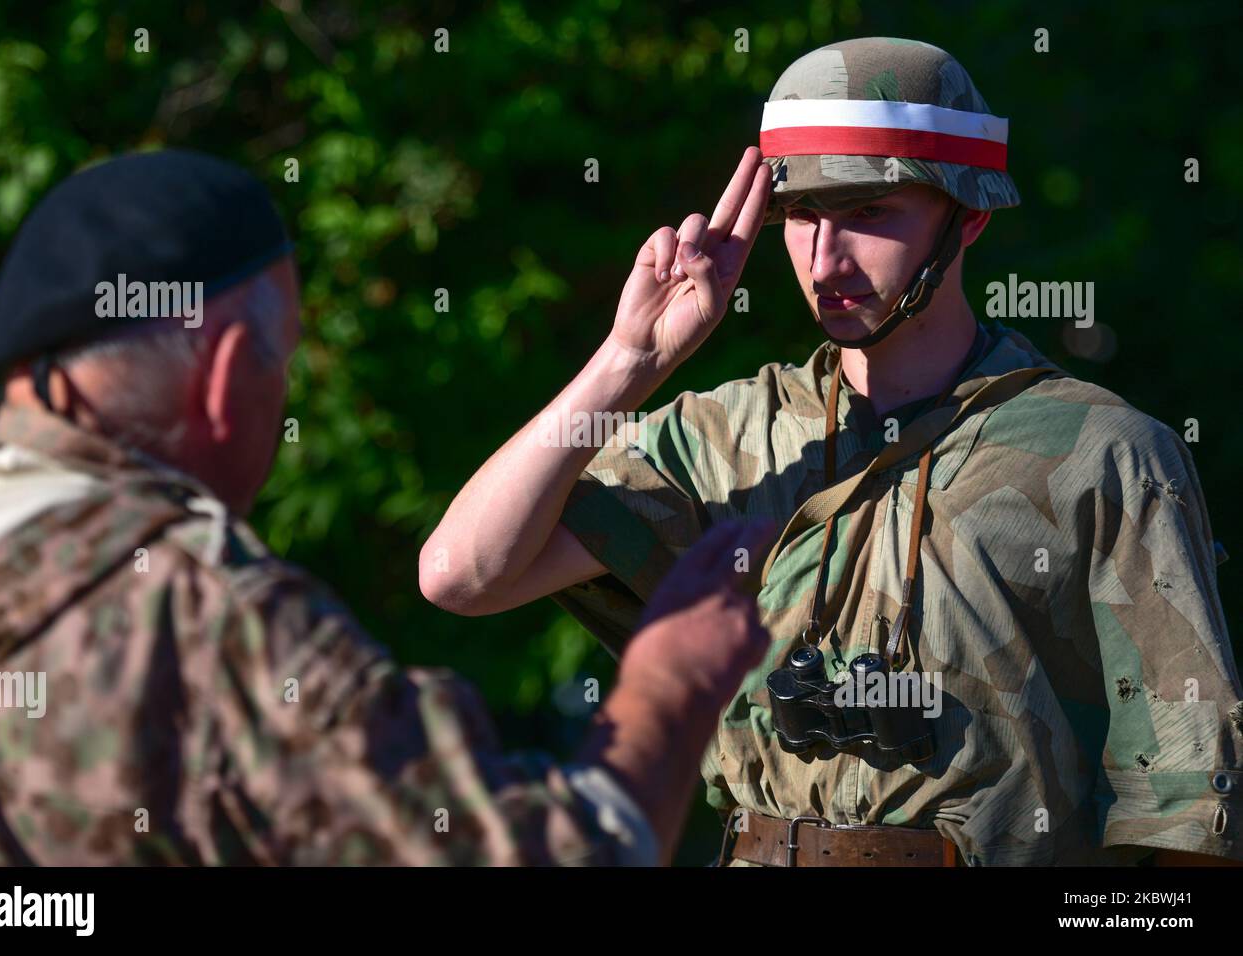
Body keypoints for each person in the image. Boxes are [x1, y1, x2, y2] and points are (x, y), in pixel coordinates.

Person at [421, 37, 1243, 866]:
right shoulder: (726, 438)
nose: (824, 259)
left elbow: (1181, 806)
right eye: (802, 216)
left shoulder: (1105, 453)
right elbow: (461, 573)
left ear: (970, 217)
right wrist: (629, 363)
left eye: (869, 213)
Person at [0, 149, 777, 866]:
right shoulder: (207, 615)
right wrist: (668, 688)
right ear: (230, 378)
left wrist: (627, 361)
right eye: (286, 363)